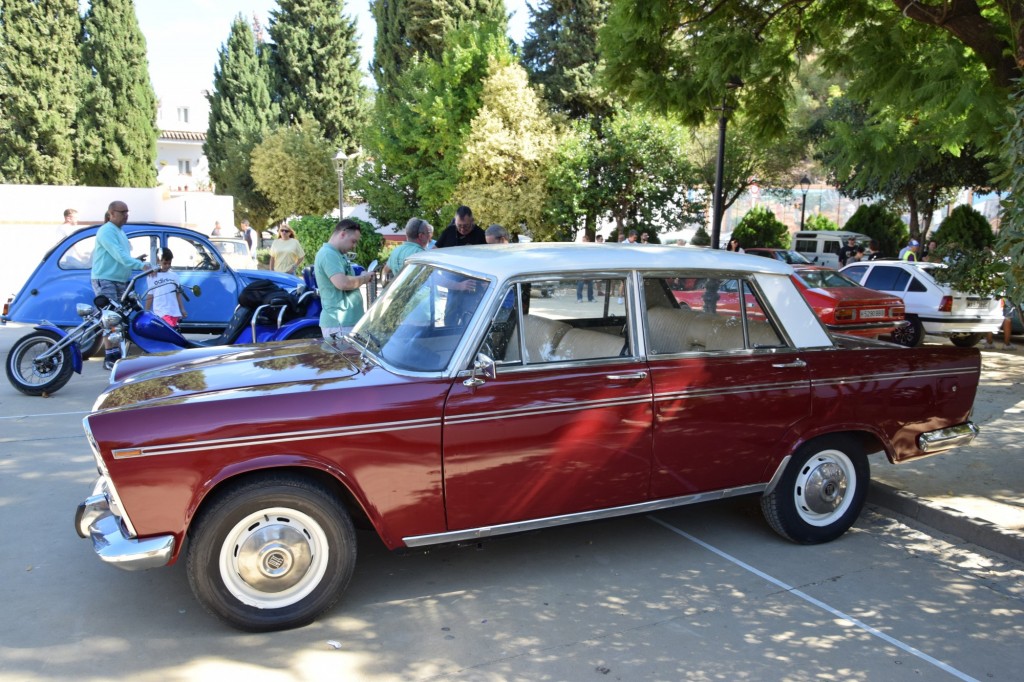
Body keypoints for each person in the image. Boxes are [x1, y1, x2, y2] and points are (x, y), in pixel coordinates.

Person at [91, 200, 151, 369]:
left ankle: (118, 354)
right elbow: (119, 256)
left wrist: (137, 260)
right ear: (112, 213)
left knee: (122, 317)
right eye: (122, 212)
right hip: (106, 279)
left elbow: (122, 257)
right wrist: (141, 265)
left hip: (120, 280)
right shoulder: (106, 231)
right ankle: (109, 357)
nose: (126, 215)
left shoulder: (119, 232)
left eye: (127, 212)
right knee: (110, 318)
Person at [314, 219, 374, 339]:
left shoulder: (336, 254)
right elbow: (343, 283)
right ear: (343, 234)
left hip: (344, 323)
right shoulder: (328, 254)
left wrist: (361, 276)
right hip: (339, 324)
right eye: (353, 241)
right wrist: (364, 278)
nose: (354, 246)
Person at [145, 248, 187, 328]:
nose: (167, 266)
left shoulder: (174, 276)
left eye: (169, 263)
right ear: (158, 261)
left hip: (174, 312)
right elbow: (150, 295)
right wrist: (146, 312)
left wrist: (182, 309)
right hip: (161, 312)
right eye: (165, 263)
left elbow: (178, 294)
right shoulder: (151, 276)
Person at [577, 234, 595, 302]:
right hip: (582, 267)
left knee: (590, 283)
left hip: (589, 267)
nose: (583, 242)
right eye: (582, 240)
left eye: (584, 240)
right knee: (580, 283)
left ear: (588, 241)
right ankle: (579, 298)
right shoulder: (580, 249)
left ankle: (590, 298)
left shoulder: (591, 249)